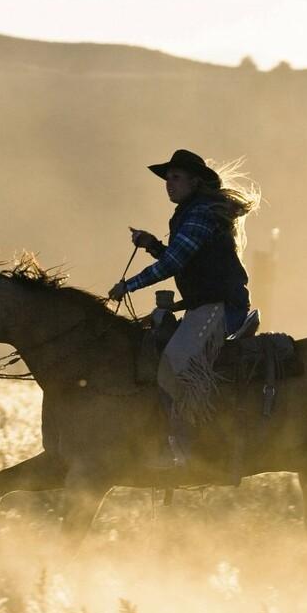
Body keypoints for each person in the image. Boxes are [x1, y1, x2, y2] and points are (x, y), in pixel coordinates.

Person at [108, 149, 259, 478]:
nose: (168, 184)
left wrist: (128, 285)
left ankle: (188, 447)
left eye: (175, 177)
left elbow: (174, 264)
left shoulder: (198, 215)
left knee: (175, 366)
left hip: (220, 307)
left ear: (194, 181)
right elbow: (181, 258)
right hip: (208, 304)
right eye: (167, 179)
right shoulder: (195, 213)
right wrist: (152, 245)